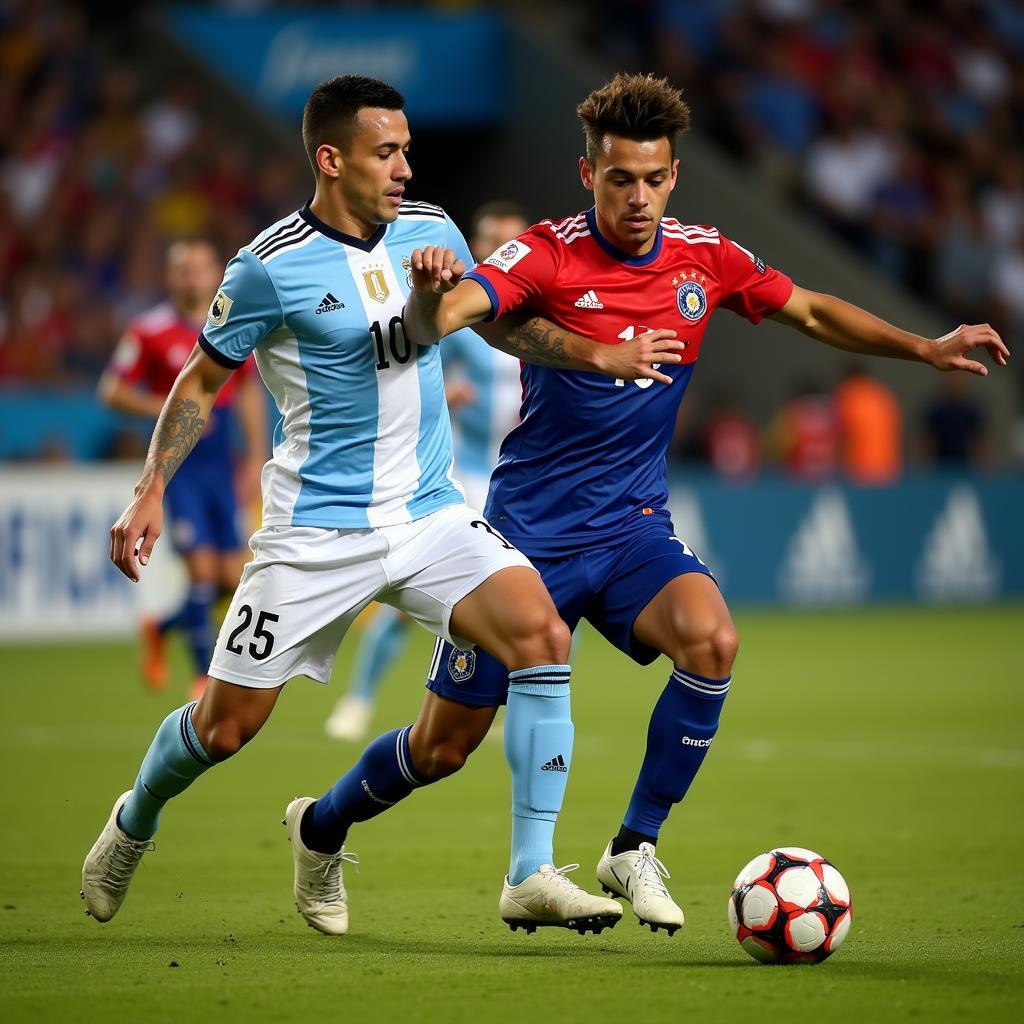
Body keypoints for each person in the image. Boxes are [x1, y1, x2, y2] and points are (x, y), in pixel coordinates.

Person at [317, 71, 1008, 938]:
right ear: (587, 174)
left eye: (653, 179)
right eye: (619, 179)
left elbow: (812, 311)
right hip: (523, 540)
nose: (637, 198)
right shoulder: (545, 253)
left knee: (713, 637)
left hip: (633, 526)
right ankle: (324, 825)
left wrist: (924, 345)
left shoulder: (703, 255)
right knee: (441, 749)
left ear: (674, 175)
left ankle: (632, 845)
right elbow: (460, 308)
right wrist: (429, 293)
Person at [81, 75, 679, 937]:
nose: (404, 167)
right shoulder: (268, 267)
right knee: (223, 728)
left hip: (431, 515)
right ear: (331, 159)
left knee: (542, 634)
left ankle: (530, 871)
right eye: (385, 152)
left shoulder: (432, 231)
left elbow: (495, 322)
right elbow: (201, 380)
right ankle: (135, 818)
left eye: (407, 149)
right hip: (315, 535)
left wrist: (593, 352)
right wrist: (149, 489)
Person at [324, 202, 531, 743]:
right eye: (491, 240)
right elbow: (409, 370)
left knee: (542, 599)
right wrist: (446, 394)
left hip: (521, 480)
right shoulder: (458, 316)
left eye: (512, 241)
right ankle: (359, 699)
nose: (501, 251)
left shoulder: (541, 314)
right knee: (405, 600)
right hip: (459, 477)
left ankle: (515, 708)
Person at [98, 238, 267, 698]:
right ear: (170, 277)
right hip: (180, 467)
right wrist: (166, 405)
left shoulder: (232, 321)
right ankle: (203, 676)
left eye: (200, 268)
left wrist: (255, 456)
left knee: (233, 578)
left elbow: (249, 390)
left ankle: (161, 627)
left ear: (216, 274)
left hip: (220, 462)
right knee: (203, 571)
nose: (192, 278)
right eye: (183, 270)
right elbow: (111, 390)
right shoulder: (149, 330)